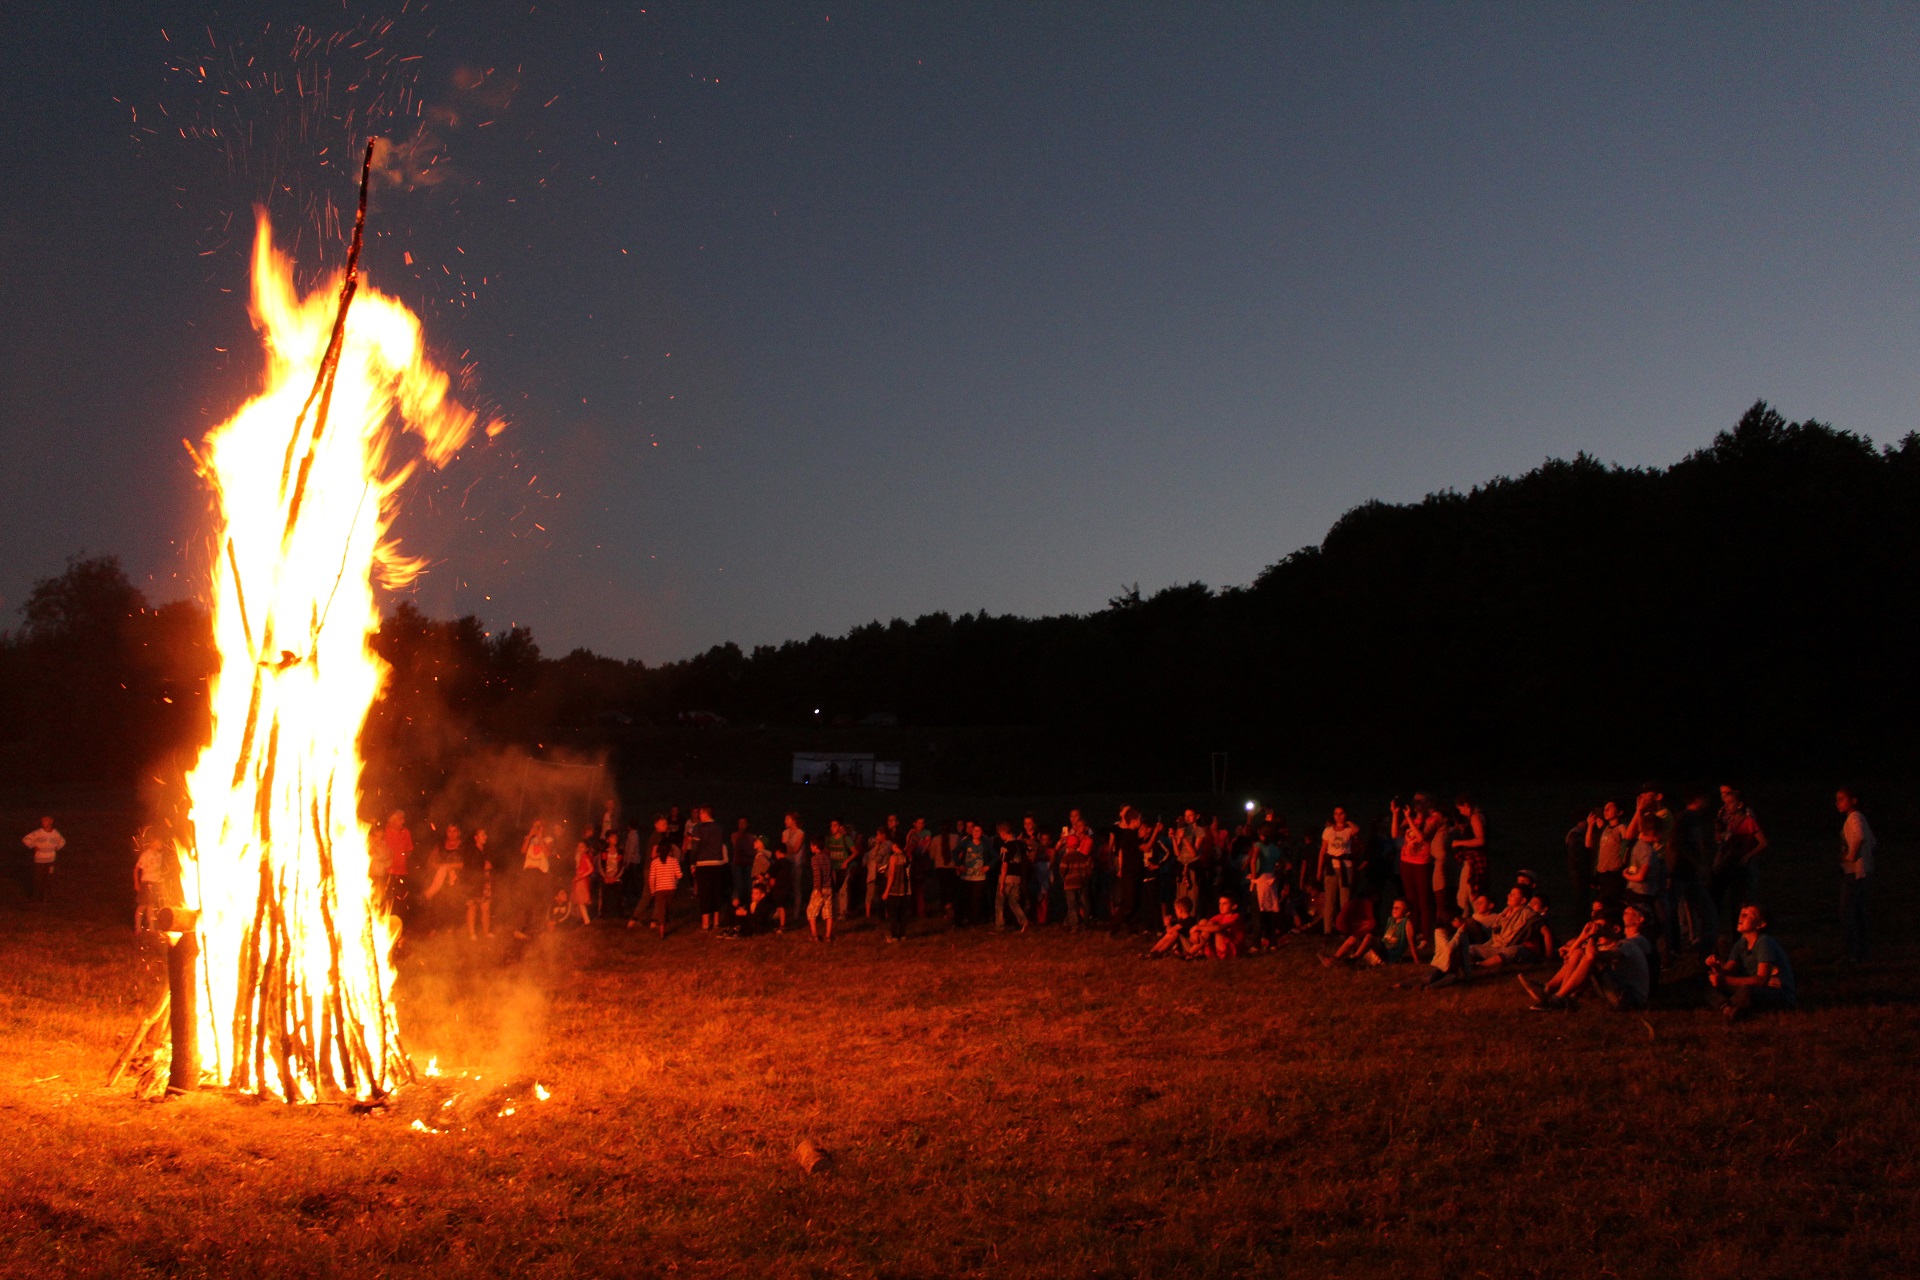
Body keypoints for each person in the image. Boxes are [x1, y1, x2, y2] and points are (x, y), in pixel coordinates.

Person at [1707, 904, 1796, 1020]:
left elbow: (1761, 980)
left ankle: (1726, 1006)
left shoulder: (1764, 943)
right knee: (1708, 984)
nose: (1741, 917)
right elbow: (1728, 971)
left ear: (1761, 924)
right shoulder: (1741, 944)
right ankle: (1729, 1009)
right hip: (1754, 988)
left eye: (1747, 915)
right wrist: (1716, 969)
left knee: (1746, 991)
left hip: (1777, 992)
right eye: (1741, 913)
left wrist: (1726, 980)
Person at [1712, 785, 1767, 948]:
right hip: (1729, 865)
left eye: (1730, 803)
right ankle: (1730, 935)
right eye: (1726, 802)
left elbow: (1763, 842)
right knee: (1725, 901)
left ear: (1740, 805)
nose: (1726, 806)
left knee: (1738, 902)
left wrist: (1748, 856)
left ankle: (1740, 936)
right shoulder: (1730, 822)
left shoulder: (1748, 821)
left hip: (1740, 868)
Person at [1390, 796, 1436, 953]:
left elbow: (1421, 837)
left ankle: (1425, 936)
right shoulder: (1409, 819)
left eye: (1418, 804)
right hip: (1406, 862)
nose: (1416, 807)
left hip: (1421, 863)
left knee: (1423, 901)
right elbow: (1395, 834)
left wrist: (1409, 818)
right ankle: (1413, 932)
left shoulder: (1431, 820)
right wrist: (1396, 814)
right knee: (1411, 901)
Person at [1836, 787, 1875, 965]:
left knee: (1847, 913)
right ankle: (1863, 952)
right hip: (1862, 872)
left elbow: (1860, 837)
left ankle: (1850, 953)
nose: (1838, 803)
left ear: (1853, 800)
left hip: (1855, 873)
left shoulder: (1854, 817)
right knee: (1859, 912)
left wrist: (1851, 856)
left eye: (1842, 799)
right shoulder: (1859, 818)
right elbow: (1873, 842)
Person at [1317, 807, 1360, 935]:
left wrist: (1348, 822)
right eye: (1336, 814)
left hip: (1345, 866)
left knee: (1344, 900)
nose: (1339, 816)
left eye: (1341, 814)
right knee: (1329, 899)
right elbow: (1323, 851)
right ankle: (1327, 930)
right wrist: (1319, 869)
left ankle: (1344, 928)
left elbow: (1356, 831)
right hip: (1331, 866)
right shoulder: (1328, 830)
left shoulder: (1348, 830)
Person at [689, 806, 728, 931]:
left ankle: (705, 923)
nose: (699, 815)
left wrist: (692, 863)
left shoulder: (698, 828)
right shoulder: (719, 828)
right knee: (716, 891)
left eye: (700, 813)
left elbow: (695, 847)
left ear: (705, 814)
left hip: (703, 863)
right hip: (717, 863)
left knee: (704, 893)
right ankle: (716, 921)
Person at [1585, 801, 1629, 906]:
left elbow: (1628, 842)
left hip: (1614, 874)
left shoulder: (1621, 828)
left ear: (1619, 812)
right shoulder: (1605, 829)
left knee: (1612, 903)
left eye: (1610, 807)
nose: (1606, 810)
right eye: (1605, 808)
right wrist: (1590, 825)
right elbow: (1588, 844)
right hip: (1602, 874)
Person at [1449, 795, 1489, 911]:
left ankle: (1477, 919)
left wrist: (1459, 843)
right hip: (1471, 859)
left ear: (1466, 805)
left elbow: (1480, 840)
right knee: (1464, 895)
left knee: (1472, 893)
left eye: (1461, 809)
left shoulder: (1476, 817)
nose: (1461, 812)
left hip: (1475, 860)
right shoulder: (1475, 817)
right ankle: (1465, 918)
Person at [640, 834, 681, 935]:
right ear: (670, 851)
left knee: (661, 909)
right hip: (671, 889)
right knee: (666, 907)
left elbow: (652, 878)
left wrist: (653, 890)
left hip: (659, 889)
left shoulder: (654, 862)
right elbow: (679, 875)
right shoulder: (674, 861)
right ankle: (664, 923)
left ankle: (661, 928)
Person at [994, 821, 1030, 933]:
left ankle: (999, 927)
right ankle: (1024, 921)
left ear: (1003, 833)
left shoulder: (1006, 847)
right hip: (1017, 877)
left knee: (999, 903)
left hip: (1007, 877)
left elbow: (1005, 865)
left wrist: (1002, 882)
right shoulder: (1020, 844)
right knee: (1014, 902)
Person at [1058, 823, 1094, 931]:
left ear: (1068, 845)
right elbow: (1086, 869)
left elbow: (1062, 870)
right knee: (1080, 903)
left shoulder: (1066, 857)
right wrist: (1083, 878)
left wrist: (1065, 878)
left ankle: (1074, 925)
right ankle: (1080, 922)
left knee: (1072, 906)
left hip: (1069, 884)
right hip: (1080, 883)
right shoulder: (1082, 856)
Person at [23, 815, 64, 904]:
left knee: (48, 877)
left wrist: (57, 847)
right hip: (40, 859)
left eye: (46, 821)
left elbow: (61, 841)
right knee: (38, 877)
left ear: (51, 821)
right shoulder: (38, 833)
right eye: (43, 821)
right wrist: (34, 845)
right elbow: (26, 839)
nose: (44, 823)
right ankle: (35, 895)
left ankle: (45, 896)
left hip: (51, 860)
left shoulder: (55, 833)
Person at [956, 822, 991, 927]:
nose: (975, 833)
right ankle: (965, 919)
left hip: (979, 876)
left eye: (978, 831)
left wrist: (988, 866)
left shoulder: (985, 843)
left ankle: (975, 921)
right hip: (967, 875)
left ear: (982, 832)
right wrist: (959, 865)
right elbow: (955, 853)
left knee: (977, 899)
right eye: (974, 831)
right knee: (966, 898)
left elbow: (994, 856)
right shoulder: (966, 842)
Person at [466, 828, 496, 940]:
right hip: (473, 883)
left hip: (485, 882)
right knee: (472, 907)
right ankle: (472, 933)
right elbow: (470, 866)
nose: (485, 836)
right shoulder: (471, 851)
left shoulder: (486, 850)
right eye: (482, 834)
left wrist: (488, 865)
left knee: (486, 908)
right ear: (476, 838)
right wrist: (483, 866)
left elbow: (491, 863)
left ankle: (486, 932)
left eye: (485, 834)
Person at [882, 833, 913, 942]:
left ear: (896, 845)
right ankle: (903, 934)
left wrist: (886, 891)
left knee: (893, 914)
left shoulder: (893, 858)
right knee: (902, 914)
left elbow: (891, 875)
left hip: (894, 891)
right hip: (904, 890)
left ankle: (894, 936)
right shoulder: (905, 857)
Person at [805, 838, 836, 942]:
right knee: (828, 911)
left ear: (815, 846)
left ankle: (814, 934)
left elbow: (817, 874)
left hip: (821, 888)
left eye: (811, 845)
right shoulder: (827, 858)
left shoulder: (815, 859)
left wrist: (818, 888)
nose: (810, 847)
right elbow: (832, 872)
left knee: (811, 911)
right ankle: (828, 935)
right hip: (829, 888)